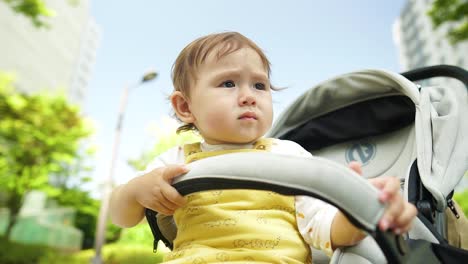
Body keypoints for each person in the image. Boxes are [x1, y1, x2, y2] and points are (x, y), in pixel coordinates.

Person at [109, 31, 417, 263]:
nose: (248, 96)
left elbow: (324, 229)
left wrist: (357, 214)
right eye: (228, 83)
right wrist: (134, 191)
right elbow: (122, 217)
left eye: (259, 85)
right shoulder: (174, 161)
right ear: (185, 106)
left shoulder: (288, 156)